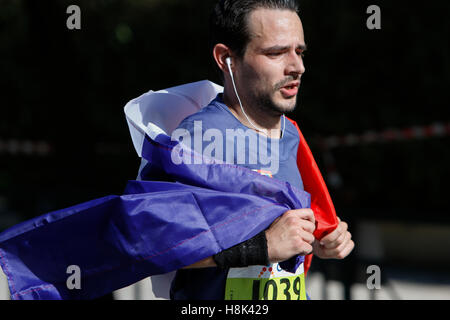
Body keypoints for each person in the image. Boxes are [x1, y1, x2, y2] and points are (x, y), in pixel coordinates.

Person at [158, 0, 355, 300]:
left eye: (299, 52)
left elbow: (288, 245)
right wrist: (260, 247)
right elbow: (154, 246)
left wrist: (318, 243)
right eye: (276, 53)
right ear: (226, 58)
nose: (297, 67)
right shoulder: (197, 139)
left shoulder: (291, 134)